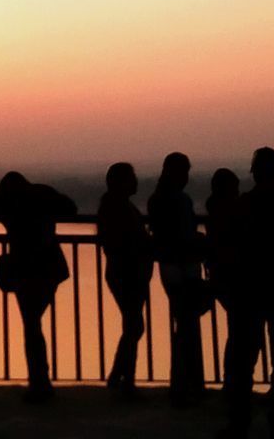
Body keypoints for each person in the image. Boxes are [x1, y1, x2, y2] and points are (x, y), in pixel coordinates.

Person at [222, 147, 274, 439]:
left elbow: (229, 250)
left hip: (249, 294)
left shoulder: (243, 205)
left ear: (254, 173)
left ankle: (239, 423)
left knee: (243, 362)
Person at [0, 171, 77, 402]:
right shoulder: (42, 194)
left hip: (25, 269)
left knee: (32, 325)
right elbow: (70, 207)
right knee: (33, 323)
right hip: (49, 267)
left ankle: (40, 383)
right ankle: (41, 382)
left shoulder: (6, 201)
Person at [147, 151, 206, 406]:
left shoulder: (156, 199)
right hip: (182, 267)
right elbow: (182, 235)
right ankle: (188, 384)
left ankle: (182, 383)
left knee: (183, 325)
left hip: (171, 266)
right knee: (187, 326)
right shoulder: (178, 200)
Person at [97, 162, 153, 399]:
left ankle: (119, 376)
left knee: (133, 326)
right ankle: (123, 379)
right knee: (134, 326)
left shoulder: (116, 205)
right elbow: (120, 241)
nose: (136, 181)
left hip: (128, 272)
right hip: (126, 273)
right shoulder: (116, 207)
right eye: (132, 177)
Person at [205, 168, 241, 385]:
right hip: (232, 276)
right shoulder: (229, 214)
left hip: (221, 275)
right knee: (240, 332)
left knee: (236, 331)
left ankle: (231, 380)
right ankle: (234, 380)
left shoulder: (214, 212)